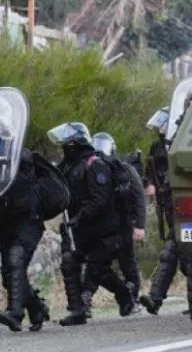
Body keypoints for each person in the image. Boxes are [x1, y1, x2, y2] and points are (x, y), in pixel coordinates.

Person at [49, 123, 135, 326]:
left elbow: (100, 200)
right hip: (78, 230)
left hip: (102, 230)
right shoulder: (66, 167)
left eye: (68, 142)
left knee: (97, 271)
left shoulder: (95, 165)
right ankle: (77, 310)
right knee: (69, 262)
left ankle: (124, 294)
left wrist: (80, 216)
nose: (64, 146)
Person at [0, 148, 51, 332]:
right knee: (8, 274)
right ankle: (37, 308)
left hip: (28, 220)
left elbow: (23, 173)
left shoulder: (20, 154)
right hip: (6, 221)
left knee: (16, 259)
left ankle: (15, 314)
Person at [140, 107, 192, 315]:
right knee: (178, 251)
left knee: (179, 252)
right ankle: (155, 298)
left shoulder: (178, 144)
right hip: (176, 209)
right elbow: (149, 173)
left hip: (181, 209)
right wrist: (150, 184)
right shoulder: (161, 147)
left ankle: (156, 297)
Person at [88, 132, 145, 314]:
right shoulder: (91, 171)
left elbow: (139, 197)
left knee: (127, 263)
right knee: (96, 264)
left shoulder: (125, 170)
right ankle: (85, 300)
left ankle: (133, 298)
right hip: (103, 226)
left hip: (124, 224)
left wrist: (139, 225)